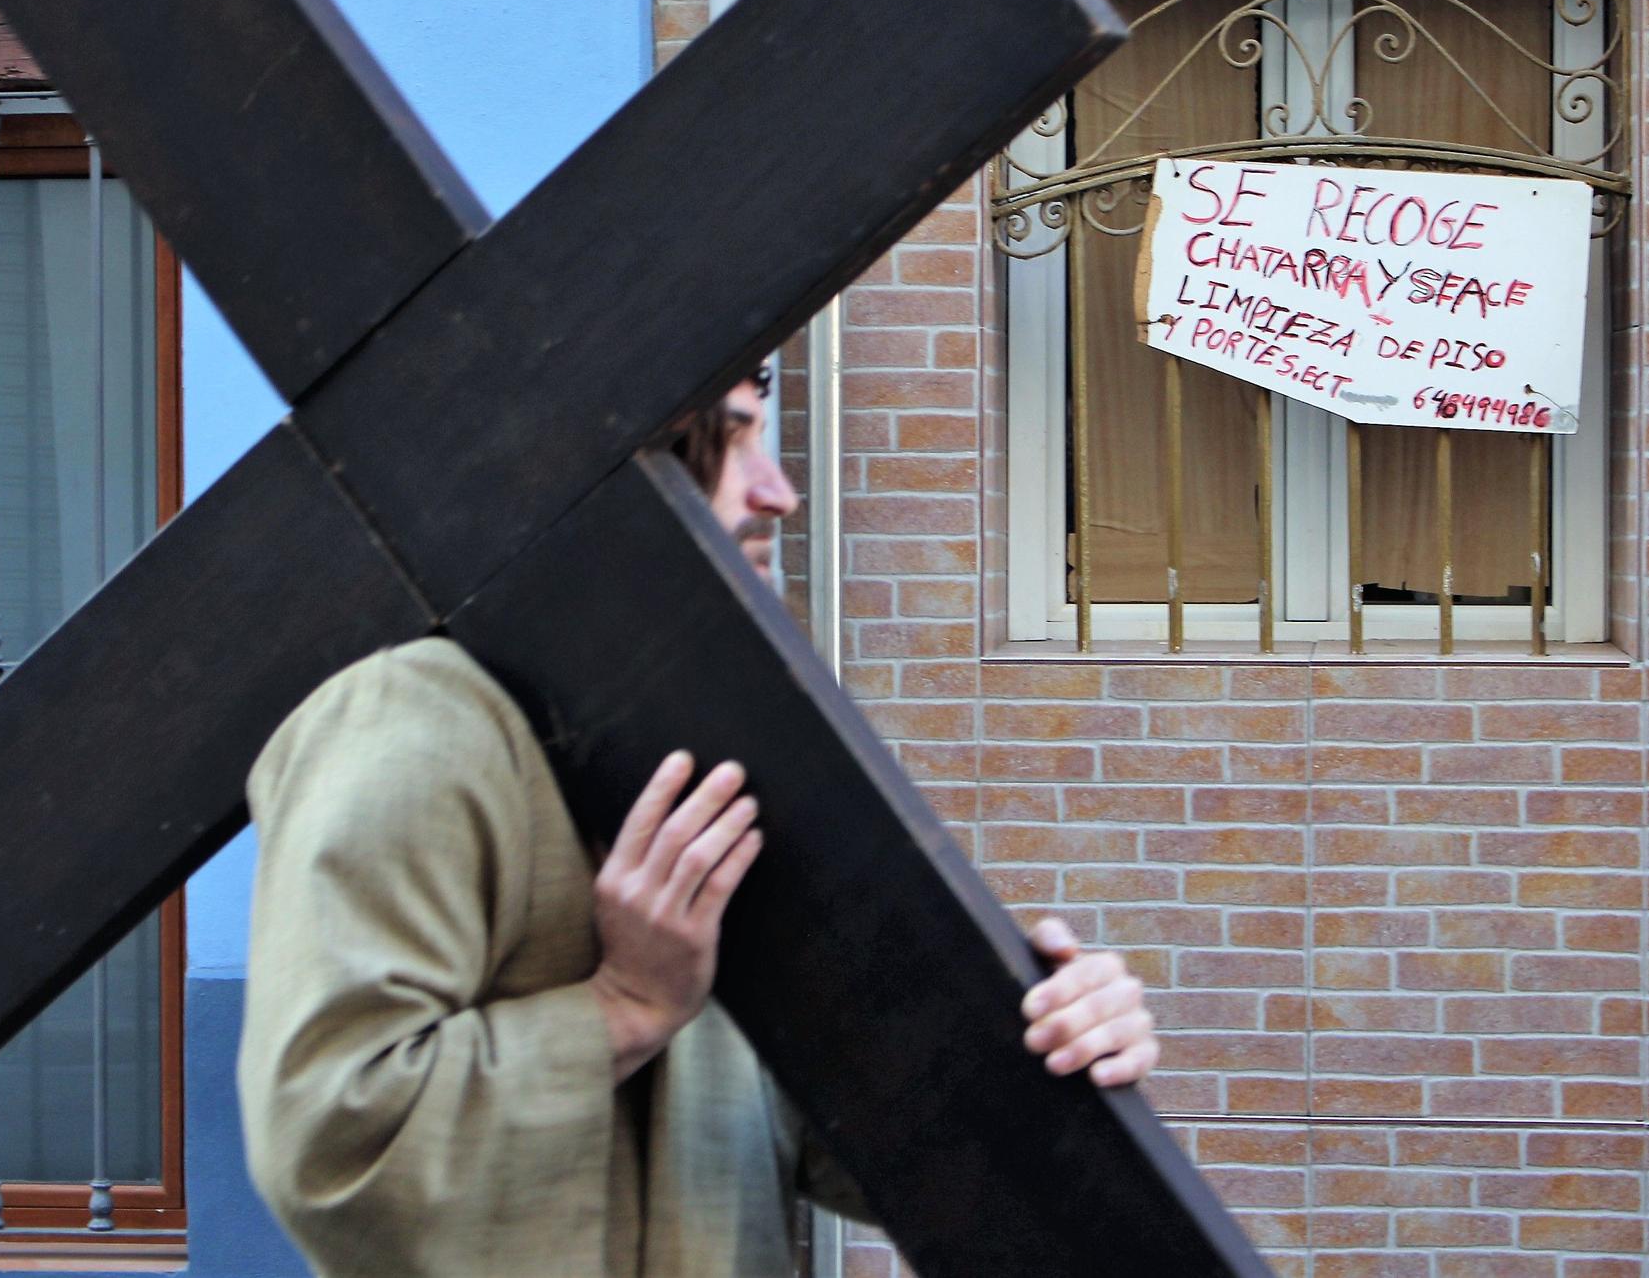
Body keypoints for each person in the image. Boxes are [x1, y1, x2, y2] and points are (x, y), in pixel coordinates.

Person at [237, 373, 1159, 1278]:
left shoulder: (711, 740)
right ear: (616, 472)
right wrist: (624, 1005)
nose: (780, 492)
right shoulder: (415, 723)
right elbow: (332, 1145)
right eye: (731, 443)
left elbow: (847, 1133)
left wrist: (1048, 1066)